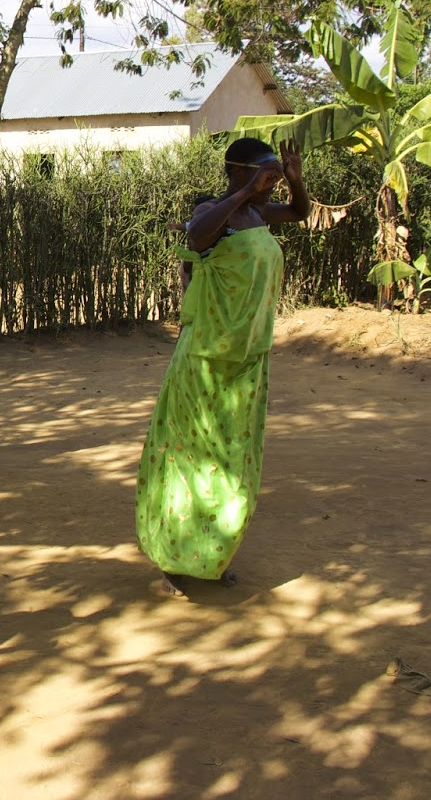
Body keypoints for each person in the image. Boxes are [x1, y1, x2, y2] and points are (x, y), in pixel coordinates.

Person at [136, 138, 307, 597]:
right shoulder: (219, 213)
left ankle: (211, 553)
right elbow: (196, 236)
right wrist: (246, 190)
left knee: (231, 462)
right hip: (204, 359)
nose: (270, 186)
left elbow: (299, 214)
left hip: (248, 359)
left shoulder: (259, 215)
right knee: (193, 458)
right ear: (240, 172)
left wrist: (293, 180)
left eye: (273, 177)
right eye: (265, 175)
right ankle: (176, 555)